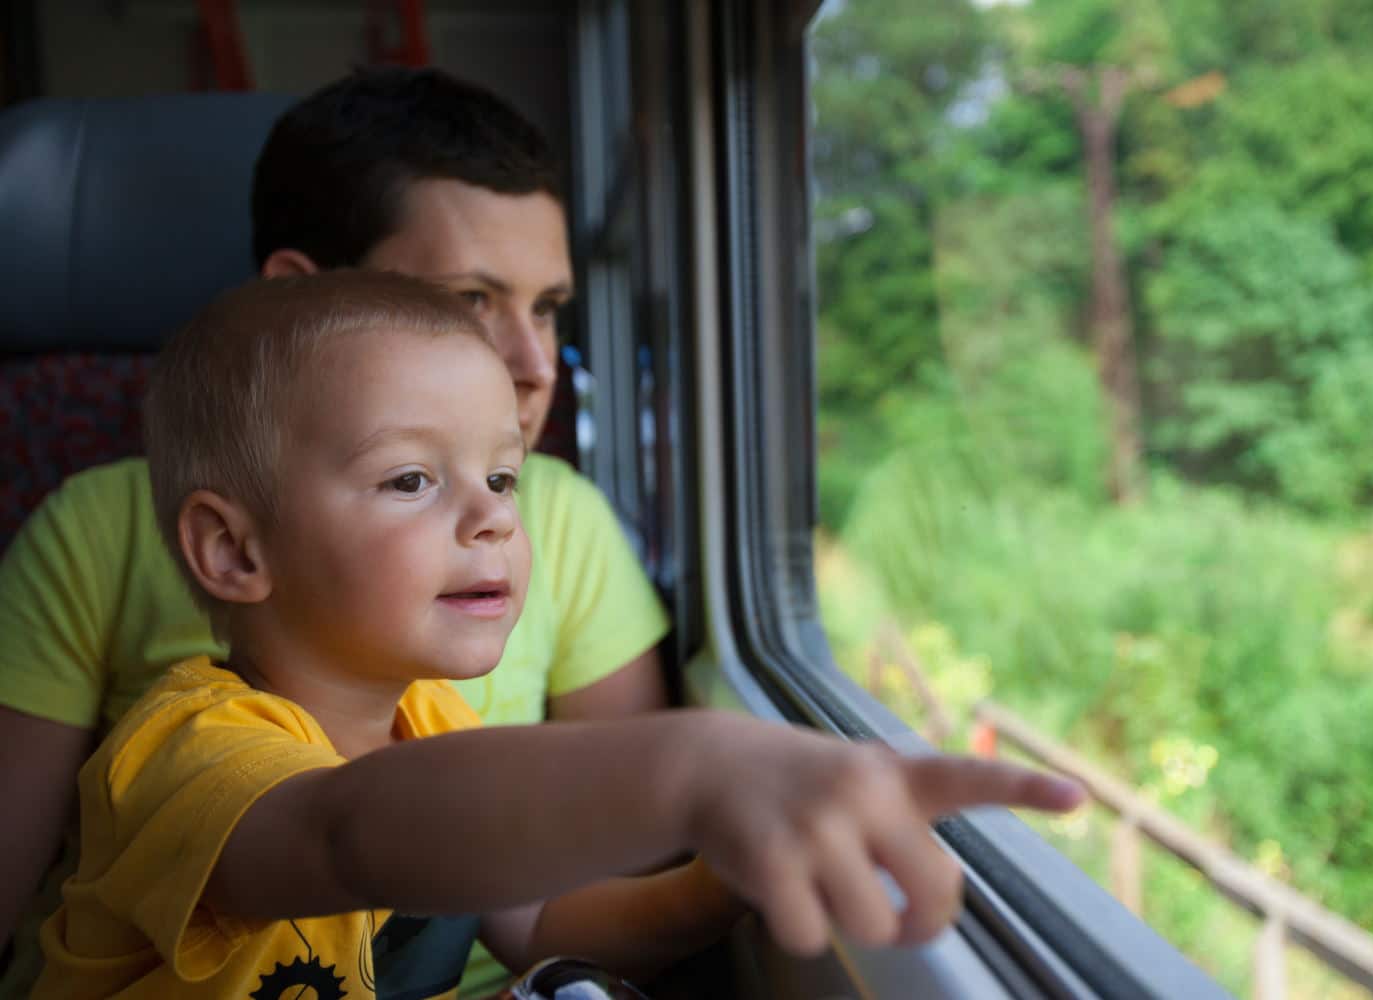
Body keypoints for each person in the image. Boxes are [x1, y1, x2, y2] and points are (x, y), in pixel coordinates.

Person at [31, 271, 1084, 999]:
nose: (493, 515)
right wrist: (696, 765)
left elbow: (536, 925)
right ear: (234, 552)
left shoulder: (430, 725)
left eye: (501, 476)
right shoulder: (182, 754)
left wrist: (721, 881)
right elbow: (342, 837)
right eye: (411, 479)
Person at [0, 68, 668, 998]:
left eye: (548, 306)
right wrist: (697, 768)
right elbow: (338, 834)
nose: (530, 362)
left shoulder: (529, 554)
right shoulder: (117, 584)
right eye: (468, 303)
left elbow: (592, 872)